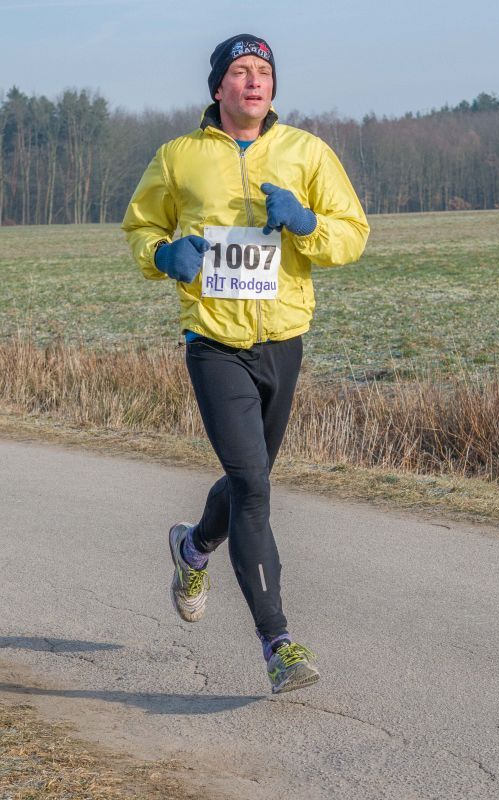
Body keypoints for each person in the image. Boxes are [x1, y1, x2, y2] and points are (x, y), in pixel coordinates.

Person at [122, 34, 370, 694]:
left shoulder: (307, 152)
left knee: (248, 479)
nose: (253, 80)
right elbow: (140, 228)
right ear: (217, 88)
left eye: (262, 70)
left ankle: (193, 547)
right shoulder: (178, 156)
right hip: (212, 339)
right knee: (254, 486)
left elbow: (352, 234)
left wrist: (307, 223)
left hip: (282, 339)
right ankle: (278, 643)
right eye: (239, 71)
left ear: (273, 86)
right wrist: (162, 256)